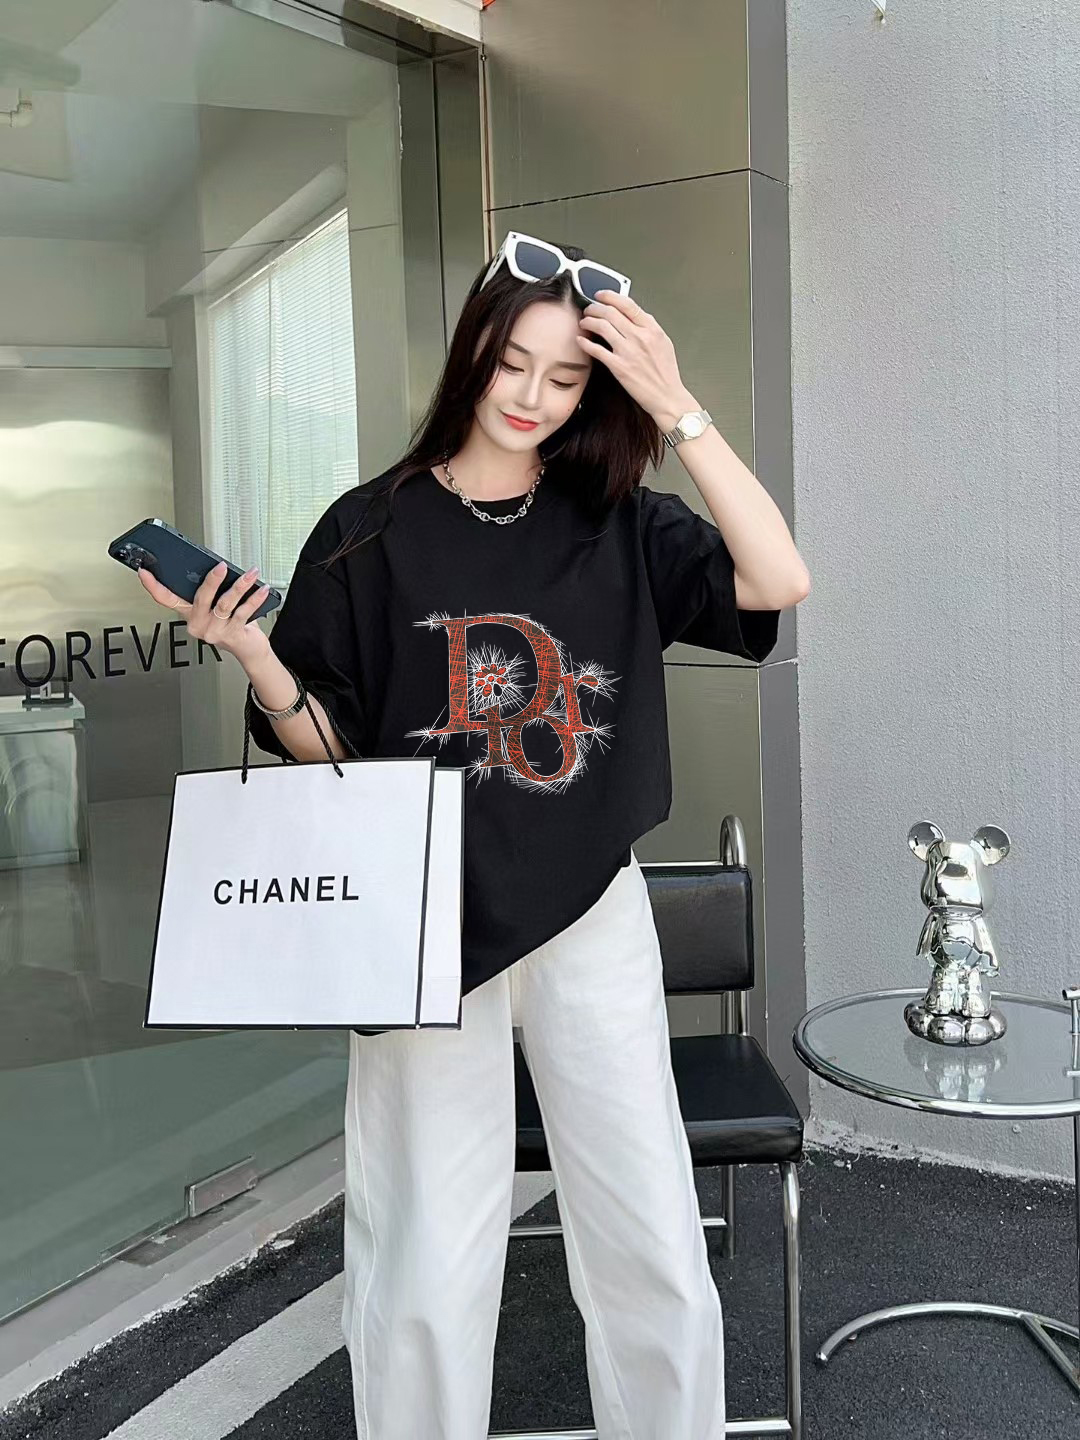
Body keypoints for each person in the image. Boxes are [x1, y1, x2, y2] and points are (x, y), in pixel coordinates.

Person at [139, 230, 810, 1440]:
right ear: (472, 353)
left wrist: (679, 407)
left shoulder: (619, 519)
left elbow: (778, 581)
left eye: (568, 377)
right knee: (424, 1248)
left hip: (587, 905)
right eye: (513, 364)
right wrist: (254, 656)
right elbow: (336, 760)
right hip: (418, 920)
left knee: (648, 1227)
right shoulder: (367, 530)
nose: (533, 396)